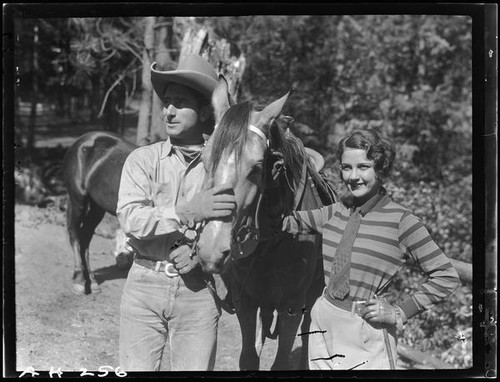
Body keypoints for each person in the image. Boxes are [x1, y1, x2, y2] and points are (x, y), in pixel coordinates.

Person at [274, 129, 461, 370]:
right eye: (346, 167)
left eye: (363, 167)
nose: (353, 176)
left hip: (363, 329)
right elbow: (282, 222)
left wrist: (400, 312)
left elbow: (446, 276)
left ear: (381, 169)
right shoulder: (335, 212)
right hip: (322, 319)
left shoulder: (402, 221)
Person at [116, 54, 235, 371]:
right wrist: (184, 212)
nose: (168, 111)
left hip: (198, 292)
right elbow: (130, 218)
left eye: (180, 102)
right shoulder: (142, 160)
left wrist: (200, 256)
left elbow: (242, 233)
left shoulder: (226, 168)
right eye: (166, 102)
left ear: (205, 110)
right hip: (143, 284)